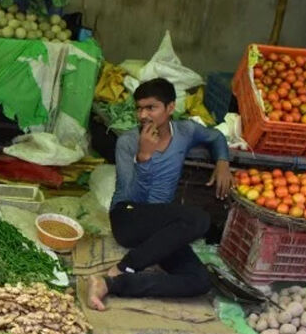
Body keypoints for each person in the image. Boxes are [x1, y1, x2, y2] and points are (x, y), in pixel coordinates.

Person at [87, 78, 233, 311]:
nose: (143, 115)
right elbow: (129, 196)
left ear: (170, 108)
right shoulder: (127, 142)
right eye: (139, 108)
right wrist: (144, 158)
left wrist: (222, 161)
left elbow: (215, 137)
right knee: (197, 219)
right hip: (128, 217)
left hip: (159, 227)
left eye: (151, 108)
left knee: (199, 281)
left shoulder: (185, 131)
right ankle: (125, 267)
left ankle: (110, 284)